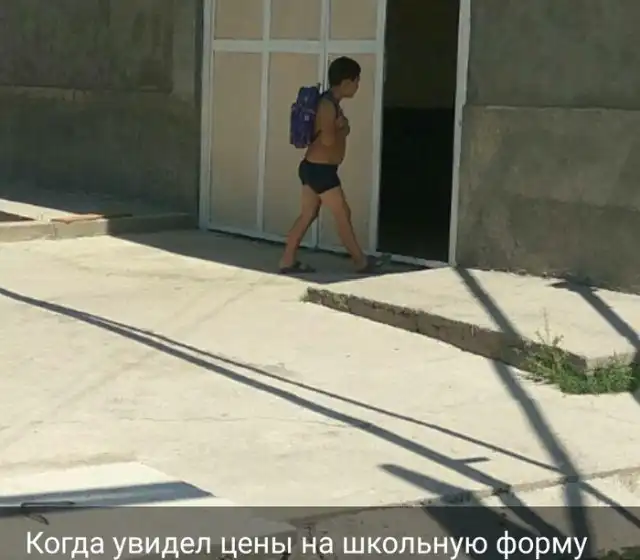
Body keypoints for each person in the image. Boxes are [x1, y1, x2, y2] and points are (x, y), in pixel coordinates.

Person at [279, 56, 380, 274]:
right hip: (320, 171)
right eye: (356, 81)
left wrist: (341, 127)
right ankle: (360, 262)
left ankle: (287, 260)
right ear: (345, 82)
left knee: (308, 214)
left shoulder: (332, 104)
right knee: (342, 214)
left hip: (315, 168)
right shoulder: (327, 106)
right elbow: (327, 140)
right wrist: (342, 128)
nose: (358, 85)